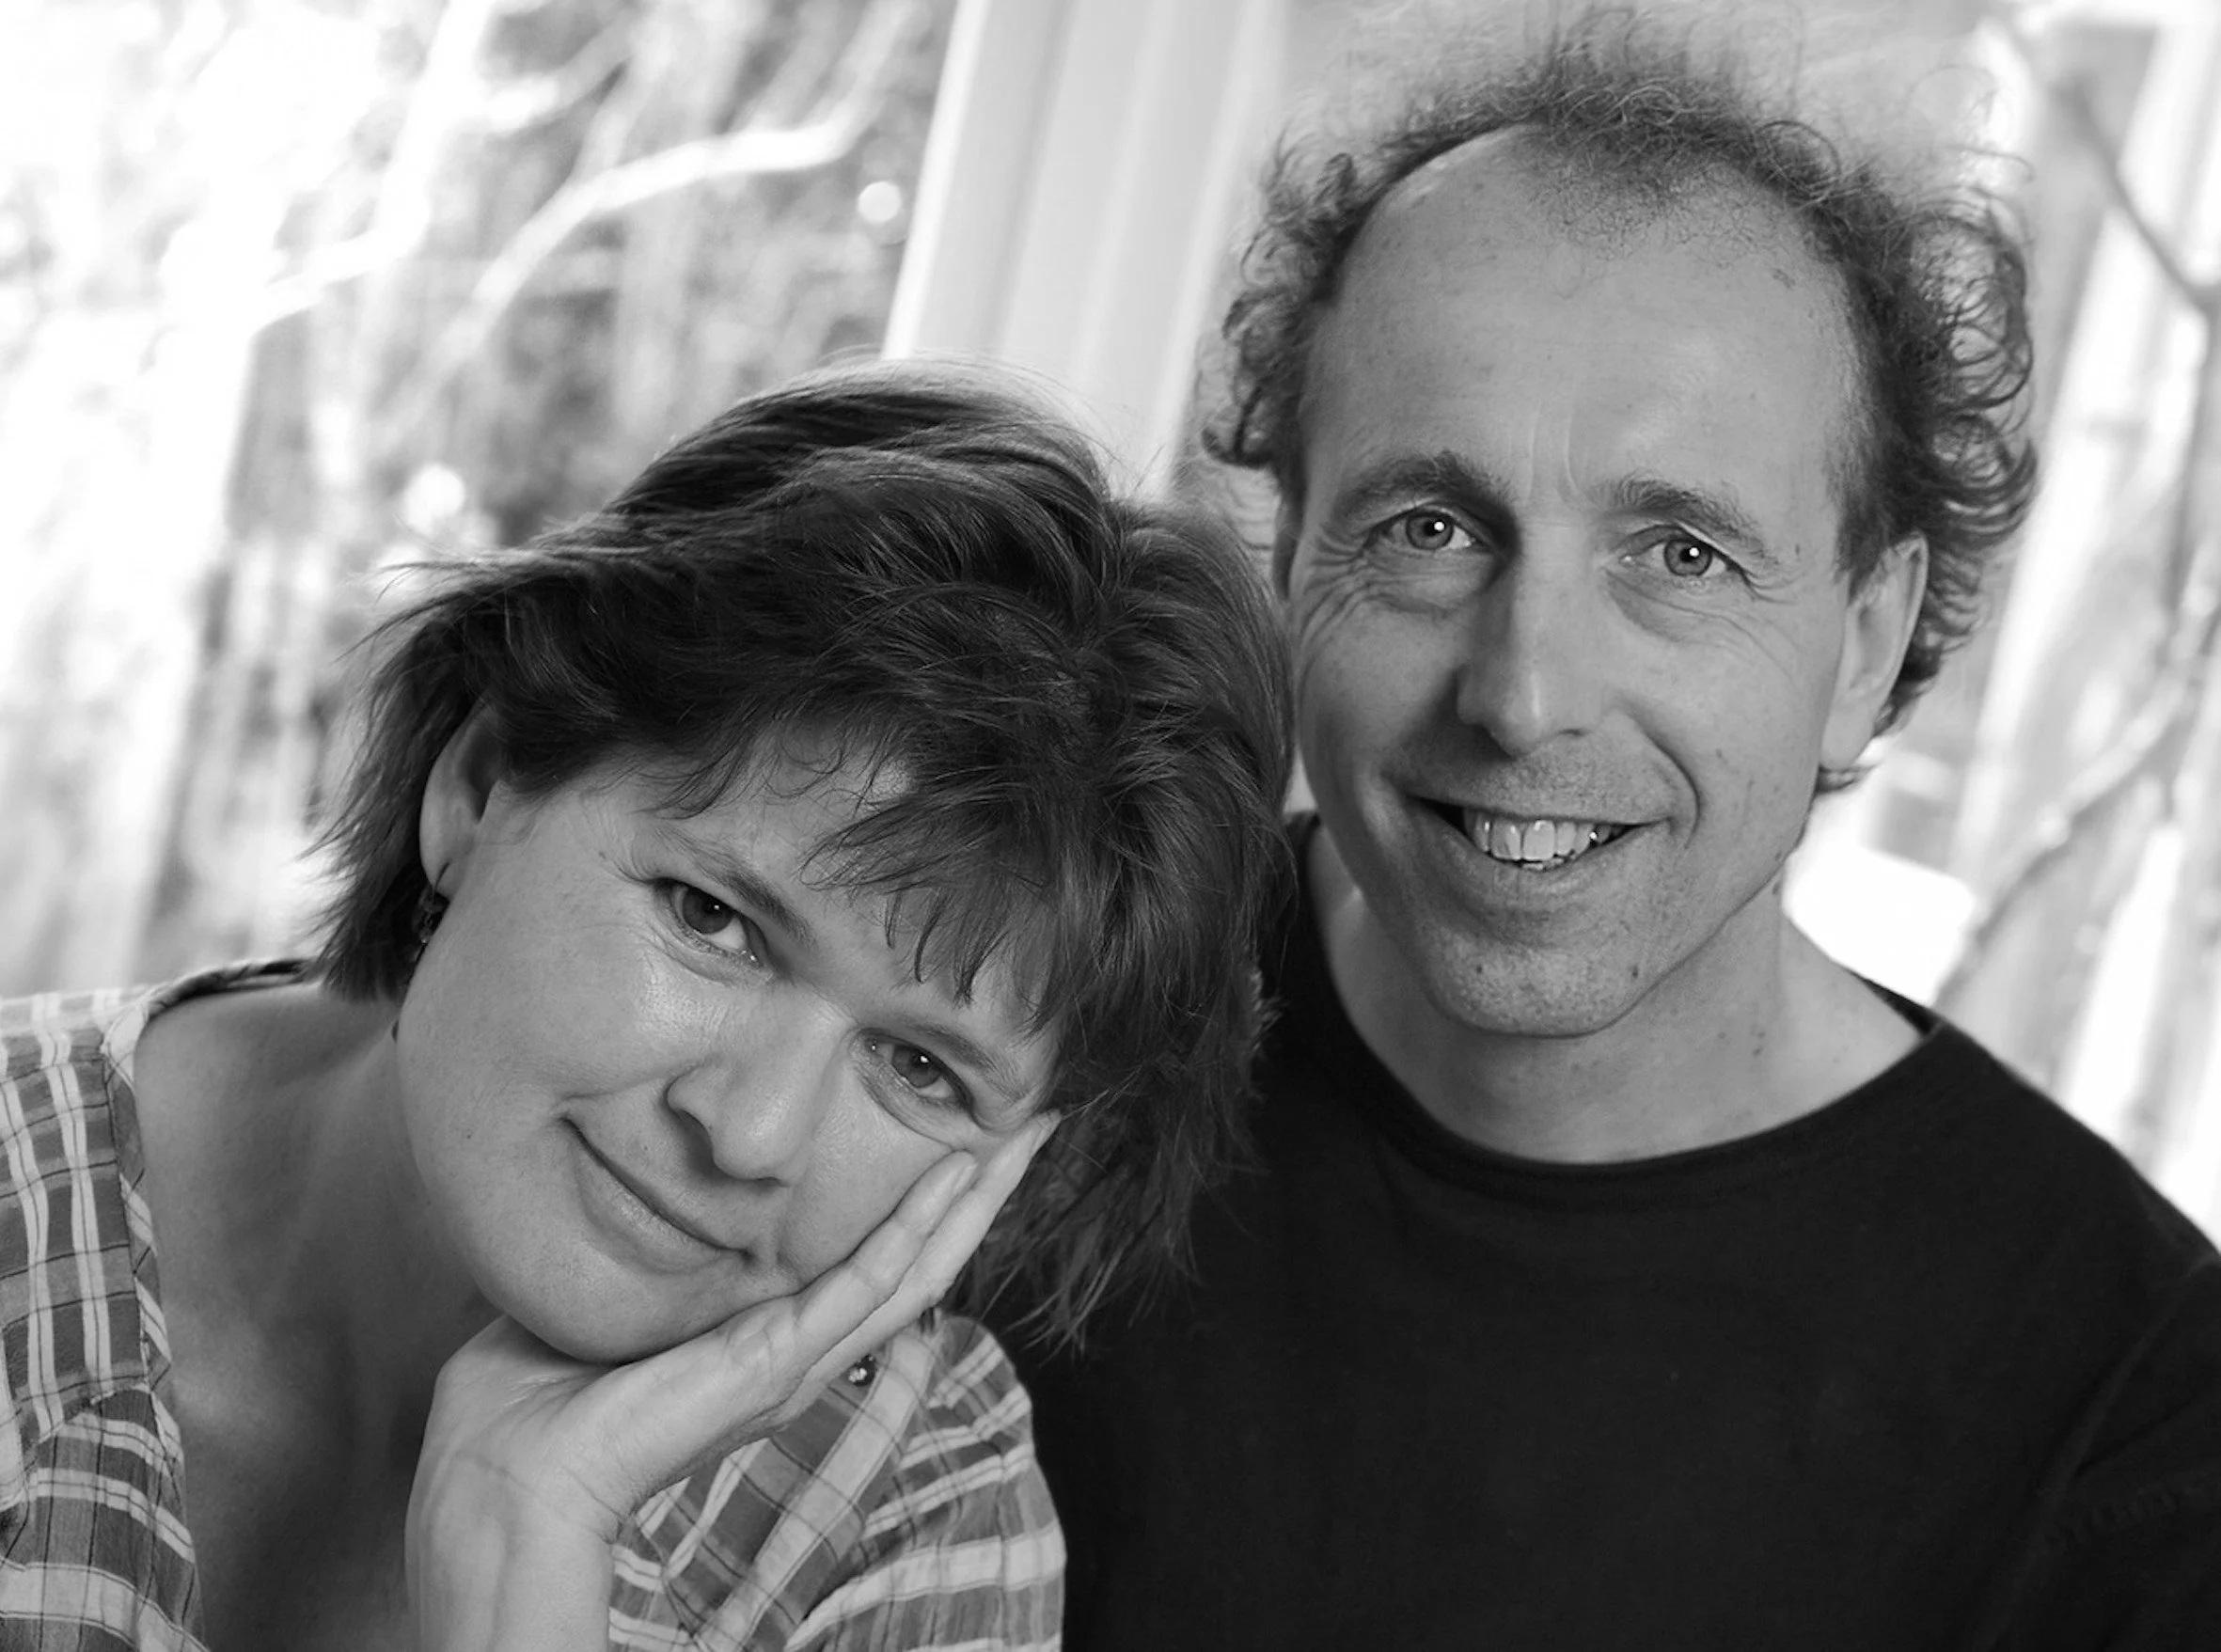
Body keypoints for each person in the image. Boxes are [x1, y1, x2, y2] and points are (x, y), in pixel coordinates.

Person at [995, 8, 2221, 1648]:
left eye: (1680, 556)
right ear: (1286, 561)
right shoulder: (1010, 1023)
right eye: (1428, 528)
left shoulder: (2132, 1412)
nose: (1522, 696)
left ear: (1866, 644)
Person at [0, 359, 1292, 1650]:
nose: (749, 1133)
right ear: (479, 784)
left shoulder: (912, 1507)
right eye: (712, 920)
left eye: (919, 1069)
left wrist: (523, 1545)